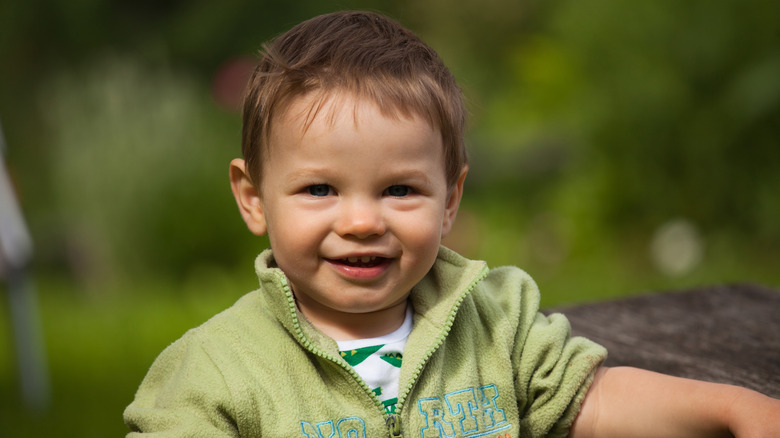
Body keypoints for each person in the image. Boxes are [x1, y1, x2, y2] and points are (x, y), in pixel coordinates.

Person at [124, 10, 780, 437]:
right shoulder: (214, 374)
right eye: (320, 188)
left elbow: (593, 401)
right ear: (254, 196)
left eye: (400, 189)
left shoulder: (495, 325)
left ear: (450, 200)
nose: (359, 221)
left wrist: (734, 408)